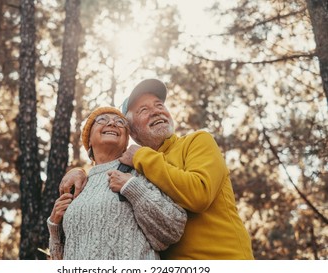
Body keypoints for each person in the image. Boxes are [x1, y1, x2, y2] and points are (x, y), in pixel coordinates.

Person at [60, 79, 254, 260]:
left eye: (159, 105)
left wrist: (140, 156)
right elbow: (103, 173)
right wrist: (80, 172)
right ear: (133, 133)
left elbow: (199, 194)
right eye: (143, 110)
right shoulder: (134, 169)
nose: (156, 111)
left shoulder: (197, 141)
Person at [48, 106, 187, 260]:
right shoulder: (78, 186)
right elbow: (60, 260)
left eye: (120, 122)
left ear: (126, 140)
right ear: (88, 139)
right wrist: (54, 227)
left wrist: (133, 188)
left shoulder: (138, 173)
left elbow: (173, 229)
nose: (112, 123)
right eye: (102, 120)